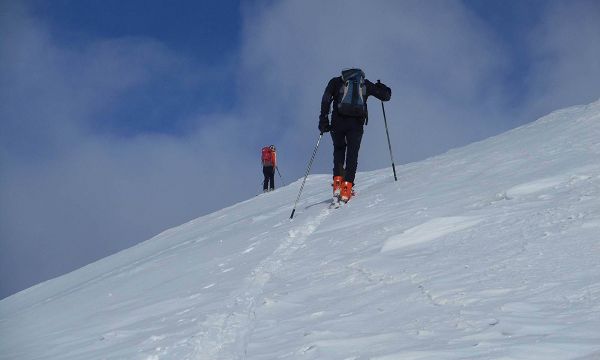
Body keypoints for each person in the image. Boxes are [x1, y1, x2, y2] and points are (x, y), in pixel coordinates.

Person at [319, 68, 391, 202]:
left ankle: (337, 184)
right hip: (356, 125)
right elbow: (386, 96)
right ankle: (347, 189)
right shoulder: (365, 84)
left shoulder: (336, 81)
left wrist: (323, 119)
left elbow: (326, 99)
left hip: (337, 122)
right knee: (352, 154)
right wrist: (382, 87)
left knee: (339, 149)